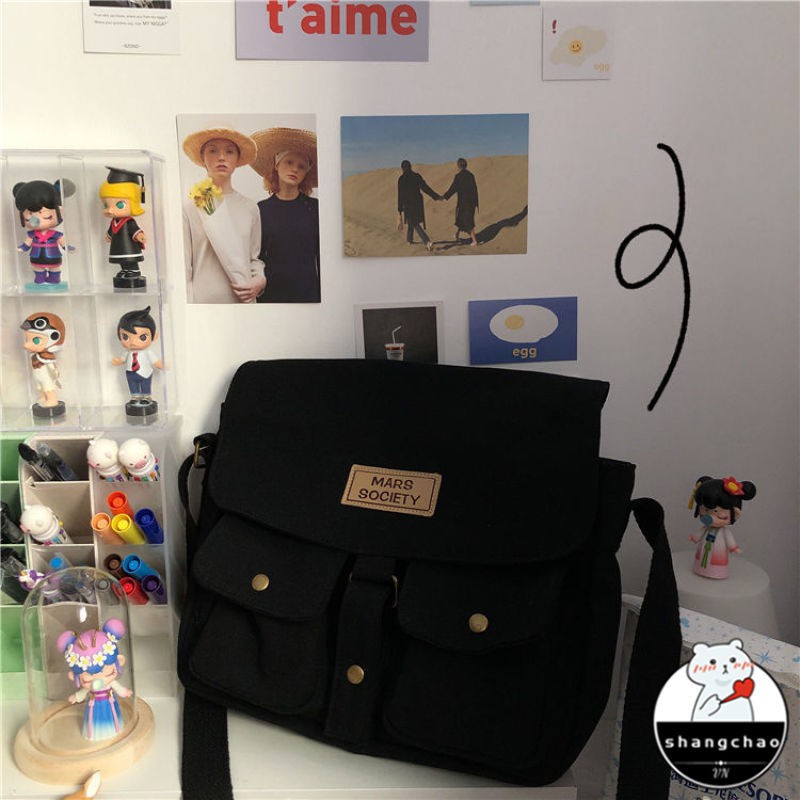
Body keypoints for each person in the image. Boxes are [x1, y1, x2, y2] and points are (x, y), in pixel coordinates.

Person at [181, 126, 265, 303]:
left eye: (229, 151)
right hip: (203, 302)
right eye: (213, 151)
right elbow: (185, 266)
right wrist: (188, 305)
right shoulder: (192, 205)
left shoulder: (249, 207)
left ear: (237, 159)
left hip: (242, 300)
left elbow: (253, 258)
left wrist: (260, 279)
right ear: (203, 158)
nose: (221, 157)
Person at [250, 127, 320, 303]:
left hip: (308, 296)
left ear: (306, 172)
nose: (294, 169)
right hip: (271, 296)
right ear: (276, 164)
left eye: (301, 166)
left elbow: (322, 257)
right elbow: (255, 257)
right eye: (289, 162)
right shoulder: (260, 209)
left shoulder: (315, 208)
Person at [688, 475, 757, 579]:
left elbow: (729, 540)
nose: (709, 516)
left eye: (717, 513)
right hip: (703, 550)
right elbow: (699, 535)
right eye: (705, 510)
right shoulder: (705, 529)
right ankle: (700, 569)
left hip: (718, 555)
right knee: (702, 557)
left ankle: (717, 572)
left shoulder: (724, 532)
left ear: (736, 513)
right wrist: (694, 538)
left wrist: (733, 547)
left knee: (716, 561)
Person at [99, 167, 148, 289]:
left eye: (119, 204)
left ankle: (134, 271)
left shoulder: (129, 222)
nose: (110, 210)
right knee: (122, 260)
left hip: (129, 247)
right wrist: (109, 235)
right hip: (118, 246)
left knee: (130, 260)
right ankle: (125, 270)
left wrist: (139, 235)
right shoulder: (114, 221)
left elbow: (134, 229)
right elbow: (112, 230)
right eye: (106, 205)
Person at [397, 160, 439, 252]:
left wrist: (399, 210)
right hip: (417, 204)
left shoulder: (401, 179)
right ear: (410, 167)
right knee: (411, 220)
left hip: (408, 204)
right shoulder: (416, 176)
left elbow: (400, 195)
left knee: (414, 223)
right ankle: (409, 240)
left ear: (402, 168)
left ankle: (427, 241)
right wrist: (435, 196)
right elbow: (425, 188)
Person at [442, 157, 479, 246]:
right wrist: (476, 203)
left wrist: (444, 196)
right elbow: (475, 189)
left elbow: (453, 189)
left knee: (468, 221)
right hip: (472, 202)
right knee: (461, 219)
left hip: (464, 203)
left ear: (458, 166)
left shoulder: (458, 177)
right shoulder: (471, 175)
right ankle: (457, 235)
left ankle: (474, 240)